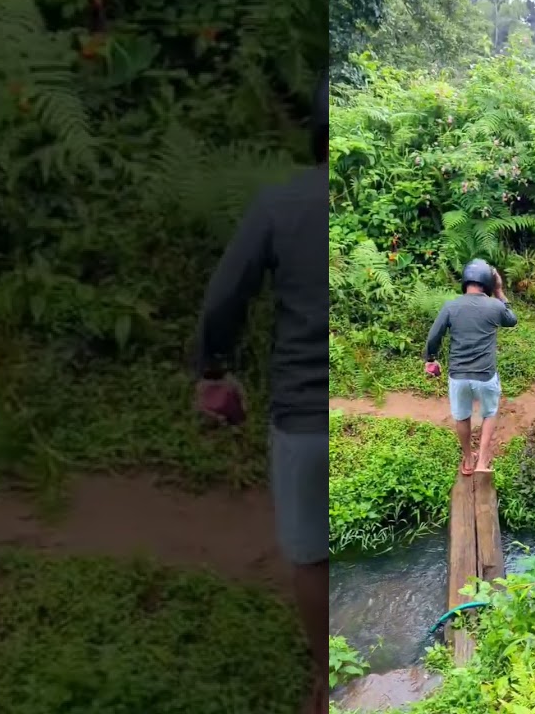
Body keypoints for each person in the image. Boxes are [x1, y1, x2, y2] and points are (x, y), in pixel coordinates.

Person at [192, 76, 330, 713]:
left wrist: (213, 367)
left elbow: (225, 295)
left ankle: (324, 678)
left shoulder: (281, 202)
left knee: (310, 555)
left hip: (302, 415)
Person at [424, 259, 518, 475]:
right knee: (490, 413)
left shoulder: (451, 306)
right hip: (485, 376)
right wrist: (499, 291)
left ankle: (468, 460)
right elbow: (512, 320)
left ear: (465, 281)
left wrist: (431, 359)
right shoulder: (495, 306)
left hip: (458, 376)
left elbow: (434, 336)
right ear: (488, 283)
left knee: (462, 416)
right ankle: (482, 461)